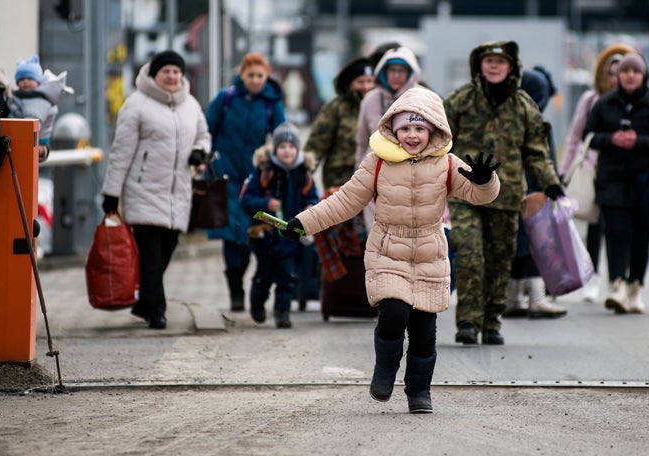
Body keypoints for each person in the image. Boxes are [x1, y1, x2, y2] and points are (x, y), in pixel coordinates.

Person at [280, 87, 500, 413]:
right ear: (393, 130)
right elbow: (344, 201)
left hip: (429, 252)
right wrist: (303, 222)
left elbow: (481, 196)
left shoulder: (447, 164)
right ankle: (385, 370)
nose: (412, 135)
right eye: (406, 128)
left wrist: (486, 181)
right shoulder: (378, 163)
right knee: (394, 312)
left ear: (434, 130)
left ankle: (419, 392)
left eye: (420, 128)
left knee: (425, 330)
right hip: (387, 250)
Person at [444, 41, 564, 346]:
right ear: (479, 65)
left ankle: (492, 320)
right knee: (469, 253)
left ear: (512, 67)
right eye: (488, 61)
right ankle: (469, 321)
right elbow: (440, 140)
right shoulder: (461, 100)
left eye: (500, 61)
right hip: (465, 191)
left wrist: (550, 181)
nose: (494, 66)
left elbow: (536, 150)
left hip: (506, 194)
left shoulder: (524, 105)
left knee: (500, 258)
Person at [101, 50, 211, 329]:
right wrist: (111, 193)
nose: (172, 77)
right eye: (166, 72)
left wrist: (200, 152)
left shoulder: (191, 105)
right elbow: (120, 152)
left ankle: (144, 302)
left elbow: (203, 135)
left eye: (177, 72)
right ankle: (156, 310)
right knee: (150, 253)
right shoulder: (136, 105)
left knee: (168, 247)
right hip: (143, 190)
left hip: (178, 192)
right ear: (154, 74)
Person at [583, 52, 649, 314]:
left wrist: (640, 142)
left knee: (640, 236)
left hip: (646, 181)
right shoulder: (604, 104)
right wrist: (612, 139)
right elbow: (588, 136)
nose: (630, 76)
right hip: (611, 180)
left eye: (635, 71)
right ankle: (617, 286)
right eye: (625, 71)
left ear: (643, 75)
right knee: (616, 233)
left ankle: (636, 287)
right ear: (618, 75)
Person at [204, 52, 286, 313]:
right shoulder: (226, 99)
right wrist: (208, 161)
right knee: (230, 234)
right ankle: (235, 287)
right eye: (250, 75)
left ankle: (245, 276)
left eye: (260, 75)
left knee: (251, 232)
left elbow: (283, 135)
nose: (255, 80)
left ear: (266, 77)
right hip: (224, 175)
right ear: (242, 75)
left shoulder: (272, 103)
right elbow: (207, 130)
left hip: (254, 179)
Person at [560, 43, 635, 303]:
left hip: (625, 173)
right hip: (594, 171)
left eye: (623, 71)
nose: (617, 78)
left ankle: (621, 280)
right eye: (612, 72)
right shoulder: (591, 100)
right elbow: (576, 137)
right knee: (595, 224)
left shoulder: (636, 101)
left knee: (620, 227)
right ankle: (593, 277)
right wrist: (564, 172)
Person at [503, 65, 567, 319]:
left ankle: (513, 297)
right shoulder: (538, 123)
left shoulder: (508, 121)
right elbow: (545, 161)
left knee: (516, 246)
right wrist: (552, 188)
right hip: (533, 192)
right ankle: (536, 299)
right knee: (535, 244)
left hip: (508, 191)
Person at [239, 122, 319, 327]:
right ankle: (257, 302)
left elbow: (313, 198)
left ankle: (282, 312)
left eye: (291, 147)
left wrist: (310, 207)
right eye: (282, 147)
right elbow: (246, 200)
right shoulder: (263, 172)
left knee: (288, 276)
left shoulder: (304, 174)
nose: (287, 151)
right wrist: (266, 204)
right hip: (264, 236)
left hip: (291, 237)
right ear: (275, 149)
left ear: (297, 150)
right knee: (264, 276)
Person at [354, 46, 422, 230]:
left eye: (402, 70)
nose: (397, 75)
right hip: (374, 174)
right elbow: (361, 142)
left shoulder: (423, 98)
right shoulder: (370, 100)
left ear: (411, 73)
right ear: (383, 71)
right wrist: (357, 179)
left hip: (412, 176)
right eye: (392, 69)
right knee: (376, 235)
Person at [303, 56, 374, 190]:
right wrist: (300, 178)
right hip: (339, 180)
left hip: (371, 180)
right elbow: (316, 145)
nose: (366, 86)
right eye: (360, 81)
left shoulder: (381, 107)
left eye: (370, 81)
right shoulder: (336, 108)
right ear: (350, 83)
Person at [7, 55, 68, 162]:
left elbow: (30, 123)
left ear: (39, 82)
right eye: (21, 79)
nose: (25, 82)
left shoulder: (40, 100)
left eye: (30, 78)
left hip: (38, 142)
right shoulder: (18, 96)